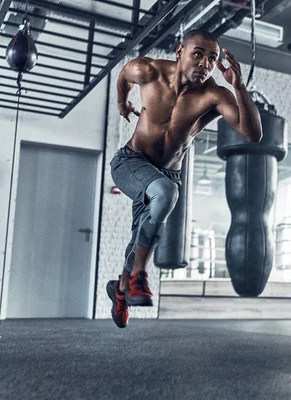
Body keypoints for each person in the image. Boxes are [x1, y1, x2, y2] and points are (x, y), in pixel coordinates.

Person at [106, 28, 263, 328]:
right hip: (131, 163)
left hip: (166, 175)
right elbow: (124, 76)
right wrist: (121, 102)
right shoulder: (148, 70)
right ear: (180, 52)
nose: (204, 63)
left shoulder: (214, 94)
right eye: (198, 54)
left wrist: (239, 87)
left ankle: (121, 289)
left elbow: (253, 134)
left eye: (212, 58)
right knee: (166, 194)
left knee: (140, 236)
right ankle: (139, 276)